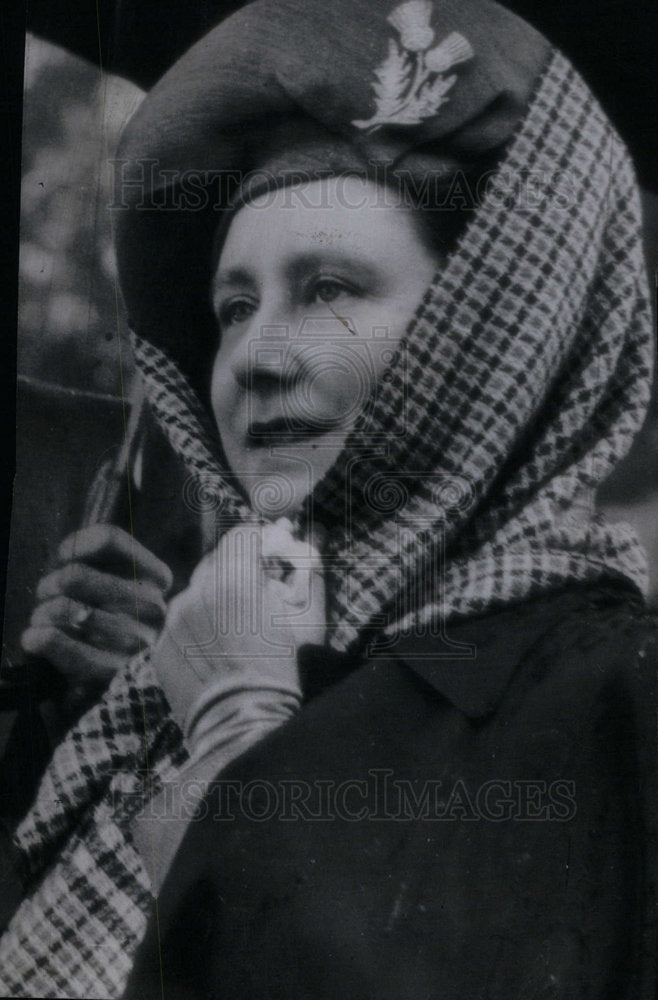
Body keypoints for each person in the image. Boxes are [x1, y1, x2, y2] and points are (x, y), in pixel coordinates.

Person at [1, 0, 656, 996]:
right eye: (233, 306)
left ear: (479, 333)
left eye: (329, 289)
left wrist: (238, 730)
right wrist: (64, 708)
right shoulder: (187, 658)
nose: (255, 359)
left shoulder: (607, 695)